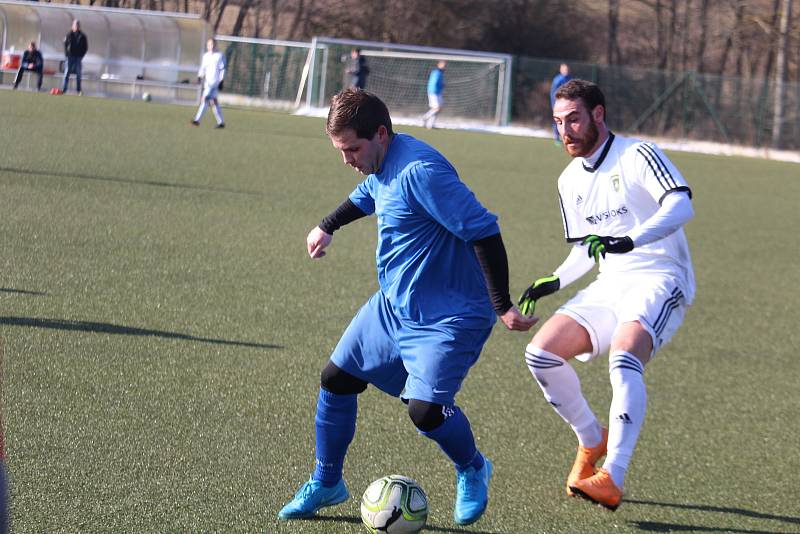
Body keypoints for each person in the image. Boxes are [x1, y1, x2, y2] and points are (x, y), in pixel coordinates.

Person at [278, 88, 536, 527]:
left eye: (352, 149)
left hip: (449, 315)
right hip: (394, 306)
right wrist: (328, 225)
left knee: (426, 411)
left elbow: (484, 231)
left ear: (380, 134)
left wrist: (503, 305)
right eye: (341, 150)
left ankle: (473, 467)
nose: (347, 159)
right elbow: (368, 193)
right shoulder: (383, 161)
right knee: (336, 379)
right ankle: (327, 482)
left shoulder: (422, 172)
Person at [518, 79, 695, 511]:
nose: (566, 131)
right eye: (558, 123)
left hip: (659, 276)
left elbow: (681, 204)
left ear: (598, 114)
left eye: (574, 119)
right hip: (610, 282)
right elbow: (587, 247)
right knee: (540, 353)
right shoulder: (568, 180)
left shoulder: (637, 154)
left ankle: (612, 475)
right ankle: (591, 439)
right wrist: (555, 281)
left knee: (624, 356)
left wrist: (631, 241)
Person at [191, 38, 226, 129]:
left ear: (216, 45)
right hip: (208, 82)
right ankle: (221, 122)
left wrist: (221, 81)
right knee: (214, 102)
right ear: (207, 46)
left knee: (204, 99)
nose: (212, 46)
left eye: (213, 44)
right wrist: (199, 77)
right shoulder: (205, 56)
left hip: (215, 83)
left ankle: (197, 120)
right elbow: (203, 68)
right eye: (210, 44)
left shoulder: (220, 55)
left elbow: (222, 69)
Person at [62, 20, 88, 95]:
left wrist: (81, 56)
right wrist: (67, 55)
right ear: (72, 26)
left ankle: (78, 90)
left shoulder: (83, 36)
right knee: (66, 73)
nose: (76, 26)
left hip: (78, 57)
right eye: (75, 25)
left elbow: (85, 47)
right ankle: (64, 89)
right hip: (70, 57)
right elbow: (65, 44)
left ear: (79, 26)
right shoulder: (69, 35)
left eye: (77, 25)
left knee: (79, 74)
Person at [549, 63, 572, 143]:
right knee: (558, 120)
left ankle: (566, 137)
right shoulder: (557, 80)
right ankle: (556, 137)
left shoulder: (570, 79)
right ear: (561, 70)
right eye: (565, 69)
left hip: (568, 104)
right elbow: (553, 93)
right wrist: (554, 104)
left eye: (567, 69)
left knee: (568, 120)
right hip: (558, 104)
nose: (566, 71)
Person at [422, 60, 446, 129]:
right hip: (433, 92)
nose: (444, 67)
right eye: (443, 65)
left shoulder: (440, 73)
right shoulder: (436, 73)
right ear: (438, 65)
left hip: (438, 92)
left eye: (445, 65)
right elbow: (434, 83)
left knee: (439, 108)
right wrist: (441, 85)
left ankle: (430, 125)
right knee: (436, 108)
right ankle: (425, 117)